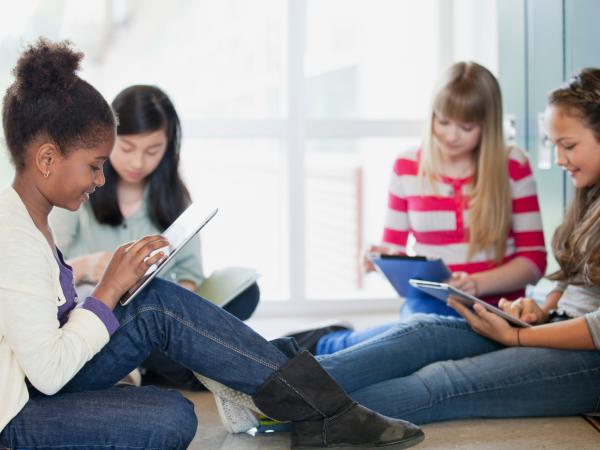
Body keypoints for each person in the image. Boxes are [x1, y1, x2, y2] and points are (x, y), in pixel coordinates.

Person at [0, 39, 424, 449]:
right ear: (47, 159)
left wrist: (115, 291)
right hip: (17, 413)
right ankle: (323, 408)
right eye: (94, 166)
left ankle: (324, 411)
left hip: (35, 382)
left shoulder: (28, 217)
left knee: (157, 306)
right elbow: (49, 374)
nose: (100, 178)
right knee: (172, 416)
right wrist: (108, 289)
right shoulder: (15, 237)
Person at [206, 67, 600, 433]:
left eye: (568, 145)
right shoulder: (587, 195)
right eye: (556, 145)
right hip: (542, 322)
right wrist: (542, 307)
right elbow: (570, 278)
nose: (560, 159)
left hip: (573, 348)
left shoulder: (516, 167)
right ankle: (262, 383)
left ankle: (275, 408)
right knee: (419, 333)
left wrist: (516, 337)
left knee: (441, 380)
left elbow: (586, 317)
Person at [291, 61, 547, 355]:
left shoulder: (513, 166)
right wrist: (380, 259)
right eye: (443, 121)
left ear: (488, 125)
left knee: (420, 342)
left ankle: (325, 344)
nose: (451, 135)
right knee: (417, 334)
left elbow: (533, 261)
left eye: (466, 126)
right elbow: (393, 246)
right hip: (427, 305)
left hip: (495, 309)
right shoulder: (407, 167)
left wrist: (476, 284)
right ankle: (325, 345)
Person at [50, 84, 259, 390]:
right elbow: (46, 271)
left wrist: (178, 299)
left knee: (244, 295)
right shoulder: (77, 189)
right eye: (127, 148)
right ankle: (300, 355)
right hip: (95, 321)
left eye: (152, 151)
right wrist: (87, 267)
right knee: (206, 355)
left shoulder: (173, 197)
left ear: (169, 146)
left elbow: (189, 276)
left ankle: (152, 365)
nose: (137, 162)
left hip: (159, 319)